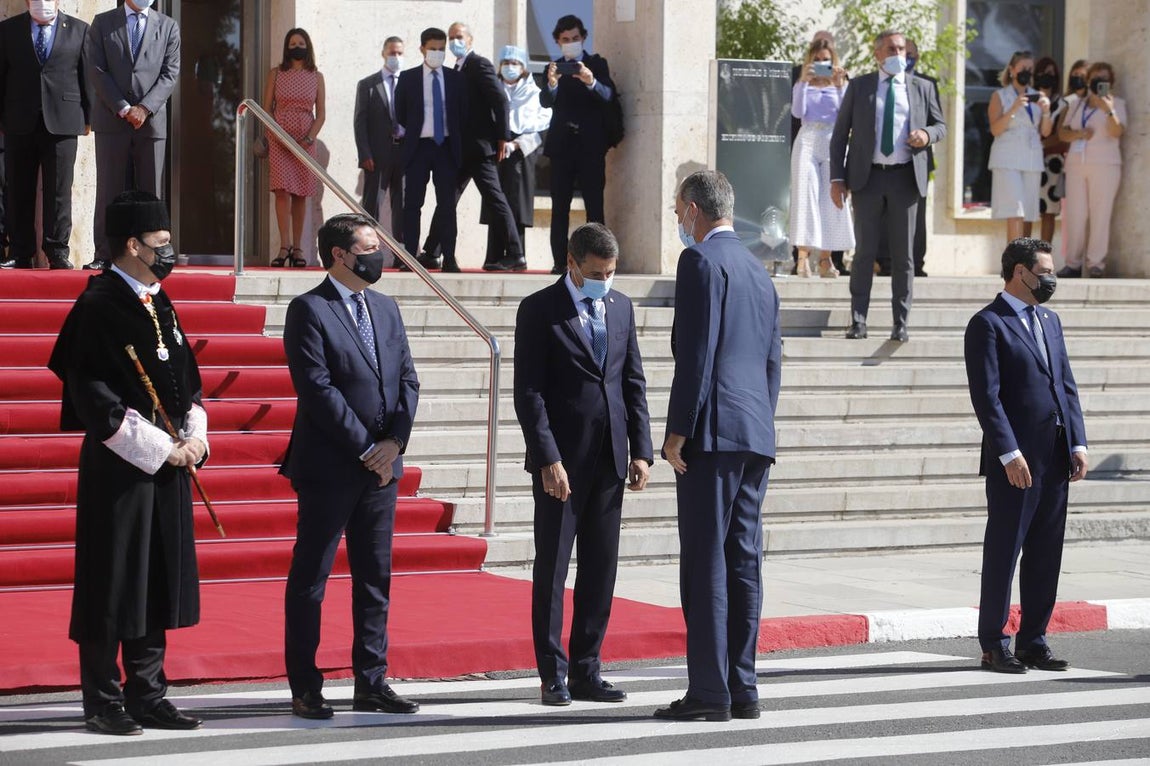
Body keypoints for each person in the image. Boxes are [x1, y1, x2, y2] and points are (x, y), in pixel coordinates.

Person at [47, 190, 207, 735]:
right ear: (133, 245)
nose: (170, 254)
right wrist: (163, 447)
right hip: (121, 466)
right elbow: (91, 392)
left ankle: (149, 691)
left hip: (169, 464)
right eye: (162, 245)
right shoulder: (98, 305)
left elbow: (184, 376)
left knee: (156, 577)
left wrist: (194, 429)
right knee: (112, 580)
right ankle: (103, 698)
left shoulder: (158, 298)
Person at [281, 213, 420, 719]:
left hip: (382, 469)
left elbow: (407, 378)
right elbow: (317, 389)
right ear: (339, 254)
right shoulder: (309, 309)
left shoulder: (384, 307)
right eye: (367, 247)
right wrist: (367, 449)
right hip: (330, 466)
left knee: (374, 577)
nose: (376, 255)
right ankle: (305, 686)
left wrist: (394, 444)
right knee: (312, 577)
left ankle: (372, 680)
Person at [656, 170, 781, 723]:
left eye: (677, 210)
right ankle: (743, 684)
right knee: (743, 560)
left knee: (705, 562)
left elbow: (697, 354)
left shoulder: (700, 261)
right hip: (754, 431)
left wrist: (678, 429)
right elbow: (774, 361)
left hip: (710, 433)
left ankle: (710, 692)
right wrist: (760, 425)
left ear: (691, 210)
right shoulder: (759, 269)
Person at [513, 222, 652, 707]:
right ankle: (552, 674)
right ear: (571, 264)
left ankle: (587, 668)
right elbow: (528, 393)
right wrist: (547, 457)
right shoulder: (539, 310)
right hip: (561, 466)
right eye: (596, 272)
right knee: (552, 569)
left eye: (611, 272)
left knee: (601, 569)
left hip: (611, 459)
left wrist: (641, 448)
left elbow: (632, 379)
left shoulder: (620, 306)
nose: (605, 280)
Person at [964, 237, 1088, 674]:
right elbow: (987, 398)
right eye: (1045, 272)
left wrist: (1078, 442)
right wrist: (1008, 453)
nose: (1050, 279)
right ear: (1020, 272)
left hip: (1054, 456)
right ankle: (994, 643)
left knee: (1045, 552)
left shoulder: (1049, 321)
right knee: (1004, 552)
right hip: (1015, 463)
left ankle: (1033, 639)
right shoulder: (988, 323)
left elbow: (1065, 385)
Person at [830, 29, 945, 342]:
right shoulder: (860, 87)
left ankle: (901, 322)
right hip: (867, 179)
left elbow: (940, 125)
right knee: (865, 252)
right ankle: (858, 320)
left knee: (903, 255)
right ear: (877, 53)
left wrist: (926, 135)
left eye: (903, 50)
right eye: (892, 49)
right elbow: (840, 135)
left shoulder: (922, 87)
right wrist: (837, 178)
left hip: (905, 178)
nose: (899, 55)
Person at [419, 22, 524, 272]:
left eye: (459, 37)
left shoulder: (479, 64)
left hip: (479, 149)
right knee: (447, 199)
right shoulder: (457, 67)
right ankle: (432, 251)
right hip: (460, 149)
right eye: (452, 37)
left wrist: (502, 137)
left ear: (470, 39)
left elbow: (500, 100)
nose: (455, 41)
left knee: (495, 199)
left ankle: (516, 253)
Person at [85, 0, 180, 270]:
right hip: (112, 120)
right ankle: (105, 254)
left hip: (150, 124)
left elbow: (169, 73)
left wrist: (144, 108)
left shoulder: (168, 26)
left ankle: (152, 257)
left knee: (151, 193)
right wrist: (123, 107)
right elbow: (97, 70)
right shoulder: (102, 23)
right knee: (109, 190)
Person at [0, 0, 91, 270]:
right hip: (18, 122)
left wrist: (89, 118)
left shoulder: (79, 30)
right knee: (18, 188)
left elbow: (86, 77)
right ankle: (19, 252)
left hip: (63, 121)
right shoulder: (7, 30)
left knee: (59, 190)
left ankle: (57, 251)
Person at [540, 14, 617, 274]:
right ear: (557, 42)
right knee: (559, 207)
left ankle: (599, 261)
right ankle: (560, 262)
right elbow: (545, 101)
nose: (570, 43)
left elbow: (608, 96)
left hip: (590, 147)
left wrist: (590, 81)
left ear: (583, 38)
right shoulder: (553, 67)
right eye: (565, 40)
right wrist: (551, 84)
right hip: (561, 148)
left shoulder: (596, 64)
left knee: (594, 206)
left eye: (575, 38)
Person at [395, 27, 465, 273]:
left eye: (441, 49)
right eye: (432, 48)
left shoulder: (456, 78)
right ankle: (411, 257)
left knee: (447, 205)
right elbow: (401, 112)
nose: (437, 53)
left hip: (446, 148)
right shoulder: (408, 78)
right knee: (413, 204)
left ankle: (450, 257)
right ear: (422, 49)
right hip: (418, 148)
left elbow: (462, 113)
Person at [788, 37, 852, 278]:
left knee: (831, 198)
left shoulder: (841, 85)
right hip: (807, 139)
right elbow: (797, 112)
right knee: (805, 196)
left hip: (833, 142)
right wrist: (804, 82)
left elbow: (844, 115)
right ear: (810, 61)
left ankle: (826, 259)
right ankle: (802, 258)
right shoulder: (802, 84)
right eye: (817, 61)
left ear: (833, 60)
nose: (822, 64)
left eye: (826, 60)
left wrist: (837, 85)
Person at [482, 45, 551, 268]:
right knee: (495, 200)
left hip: (522, 154)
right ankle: (493, 256)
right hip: (495, 150)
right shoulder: (493, 89)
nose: (510, 67)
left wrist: (518, 144)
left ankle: (516, 255)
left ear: (523, 67)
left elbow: (541, 127)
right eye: (506, 63)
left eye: (515, 63)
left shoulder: (534, 93)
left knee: (516, 204)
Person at [1056, 61, 1125, 279]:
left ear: (1110, 83)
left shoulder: (1117, 104)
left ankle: (1096, 264)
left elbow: (1117, 132)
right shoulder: (1077, 104)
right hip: (1077, 166)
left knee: (1100, 215)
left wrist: (1109, 110)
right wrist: (1078, 134)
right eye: (1095, 79)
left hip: (1105, 165)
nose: (1099, 83)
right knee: (1075, 215)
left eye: (1104, 79)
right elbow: (1063, 133)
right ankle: (1073, 264)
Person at [263, 28, 325, 268]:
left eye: (300, 42)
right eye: (292, 43)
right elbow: (266, 107)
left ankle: (298, 248)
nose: (296, 46)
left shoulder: (316, 76)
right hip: (279, 136)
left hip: (305, 140)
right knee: (281, 191)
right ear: (286, 47)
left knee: (300, 193)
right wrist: (277, 134)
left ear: (307, 46)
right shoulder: (276, 74)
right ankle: (284, 245)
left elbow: (321, 115)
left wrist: (308, 139)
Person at [988, 51, 1053, 244]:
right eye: (1023, 68)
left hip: (1031, 157)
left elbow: (1046, 132)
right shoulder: (999, 95)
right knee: (1014, 210)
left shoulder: (1037, 95)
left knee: (1027, 211)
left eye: (1030, 69)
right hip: (1007, 158)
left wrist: (1047, 112)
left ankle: (1025, 259)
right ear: (1012, 69)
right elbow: (995, 129)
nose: (1027, 72)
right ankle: (1013, 259)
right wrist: (1014, 107)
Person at [353, 36, 405, 245]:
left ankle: (403, 253)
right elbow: (360, 121)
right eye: (392, 53)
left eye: (400, 53)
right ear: (383, 53)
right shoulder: (368, 84)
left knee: (403, 205)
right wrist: (364, 153)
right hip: (377, 156)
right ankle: (367, 248)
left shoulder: (410, 83)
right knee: (372, 203)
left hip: (403, 154)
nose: (396, 57)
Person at [1035, 56, 1069, 245]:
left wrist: (1041, 145)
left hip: (1052, 162)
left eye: (1051, 74)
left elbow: (1059, 135)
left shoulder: (1062, 104)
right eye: (1043, 73)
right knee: (1028, 211)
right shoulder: (1029, 100)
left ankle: (1043, 254)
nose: (1047, 77)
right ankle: (1024, 255)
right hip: (1030, 161)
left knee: (1048, 211)